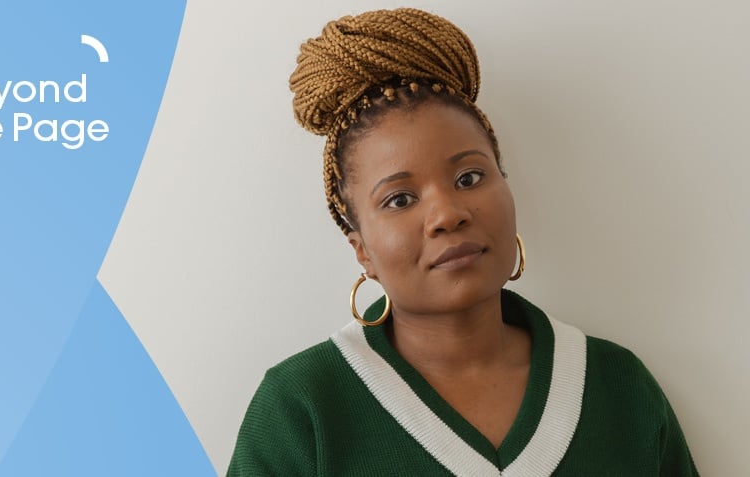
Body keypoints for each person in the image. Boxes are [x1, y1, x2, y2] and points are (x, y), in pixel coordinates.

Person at [227, 8, 698, 476]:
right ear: (362, 250)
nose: (448, 215)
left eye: (470, 176)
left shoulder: (618, 386)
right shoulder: (301, 409)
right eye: (399, 199)